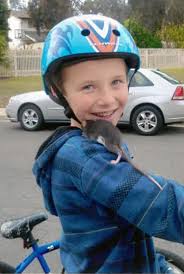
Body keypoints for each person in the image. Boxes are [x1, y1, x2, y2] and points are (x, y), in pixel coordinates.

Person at [33, 14, 184, 273]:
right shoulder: (81, 156)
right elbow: (159, 205)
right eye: (89, 87)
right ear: (59, 93)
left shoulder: (96, 138)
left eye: (116, 82)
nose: (107, 99)